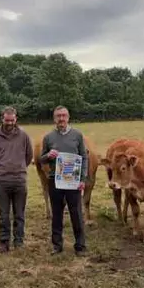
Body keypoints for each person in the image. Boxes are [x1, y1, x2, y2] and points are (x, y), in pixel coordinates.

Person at [39, 105, 88, 256]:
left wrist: (83, 179)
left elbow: (84, 157)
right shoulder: (48, 137)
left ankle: (80, 246)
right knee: (57, 214)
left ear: (68, 117)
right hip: (55, 180)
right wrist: (48, 156)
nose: (61, 119)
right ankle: (57, 245)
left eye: (64, 115)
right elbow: (41, 159)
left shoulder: (77, 135)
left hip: (73, 181)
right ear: (54, 118)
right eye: (58, 116)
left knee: (76, 214)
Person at [0, 106, 33, 253]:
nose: (10, 123)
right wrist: (2, 168)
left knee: (19, 214)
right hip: (1, 182)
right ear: (2, 119)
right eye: (7, 120)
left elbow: (29, 156)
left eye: (12, 120)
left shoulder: (24, 136)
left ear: (16, 119)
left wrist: (18, 168)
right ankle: (4, 242)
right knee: (3, 215)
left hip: (19, 181)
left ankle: (19, 241)